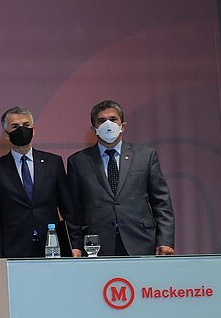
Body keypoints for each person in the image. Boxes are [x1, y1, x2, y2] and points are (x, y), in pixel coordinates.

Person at [67, 100, 175, 256]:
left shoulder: (145, 156)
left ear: (122, 126)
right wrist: (75, 245)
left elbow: (161, 201)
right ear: (94, 129)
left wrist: (165, 240)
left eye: (113, 119)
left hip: (140, 239)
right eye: (101, 121)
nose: (108, 124)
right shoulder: (78, 161)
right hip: (97, 244)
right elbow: (74, 210)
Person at [0, 106, 77, 258]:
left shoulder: (53, 163)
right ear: (6, 135)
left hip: (51, 246)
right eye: (15, 126)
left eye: (26, 125)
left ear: (33, 130)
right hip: (13, 250)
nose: (22, 130)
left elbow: (68, 209)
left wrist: (75, 244)